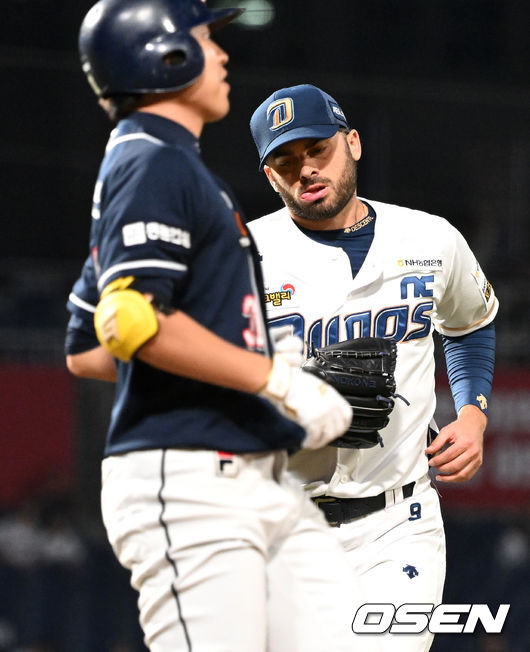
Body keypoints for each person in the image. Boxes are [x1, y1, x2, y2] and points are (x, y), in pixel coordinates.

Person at [67, 6, 360, 651]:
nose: (221, 55)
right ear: (168, 58)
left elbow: (88, 346)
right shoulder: (153, 163)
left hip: (251, 477)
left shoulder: (162, 165)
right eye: (206, 39)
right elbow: (129, 322)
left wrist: (243, 354)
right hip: (189, 480)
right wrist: (272, 376)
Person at [248, 83, 499, 652]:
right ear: (270, 178)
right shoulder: (242, 257)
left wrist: (474, 412)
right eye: (285, 161)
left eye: (318, 149)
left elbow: (471, 322)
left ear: (353, 144)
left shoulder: (431, 239)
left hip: (396, 526)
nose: (305, 169)